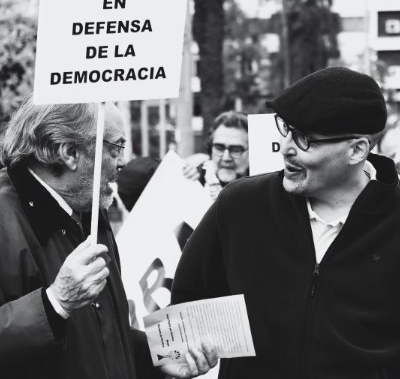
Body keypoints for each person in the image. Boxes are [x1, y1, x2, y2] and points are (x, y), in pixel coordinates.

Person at [171, 67, 400, 378]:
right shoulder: (240, 206)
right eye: (287, 129)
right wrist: (188, 351)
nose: (287, 147)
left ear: (357, 149)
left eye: (305, 138)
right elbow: (182, 315)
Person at [0, 97, 218, 379]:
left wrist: (162, 353)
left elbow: (103, 337)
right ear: (69, 152)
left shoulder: (88, 212)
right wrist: (55, 303)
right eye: (115, 147)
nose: (122, 161)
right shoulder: (6, 217)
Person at [183, 111, 249, 200]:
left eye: (235, 150)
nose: (226, 158)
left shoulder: (266, 188)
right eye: (219, 148)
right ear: (210, 148)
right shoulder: (193, 180)